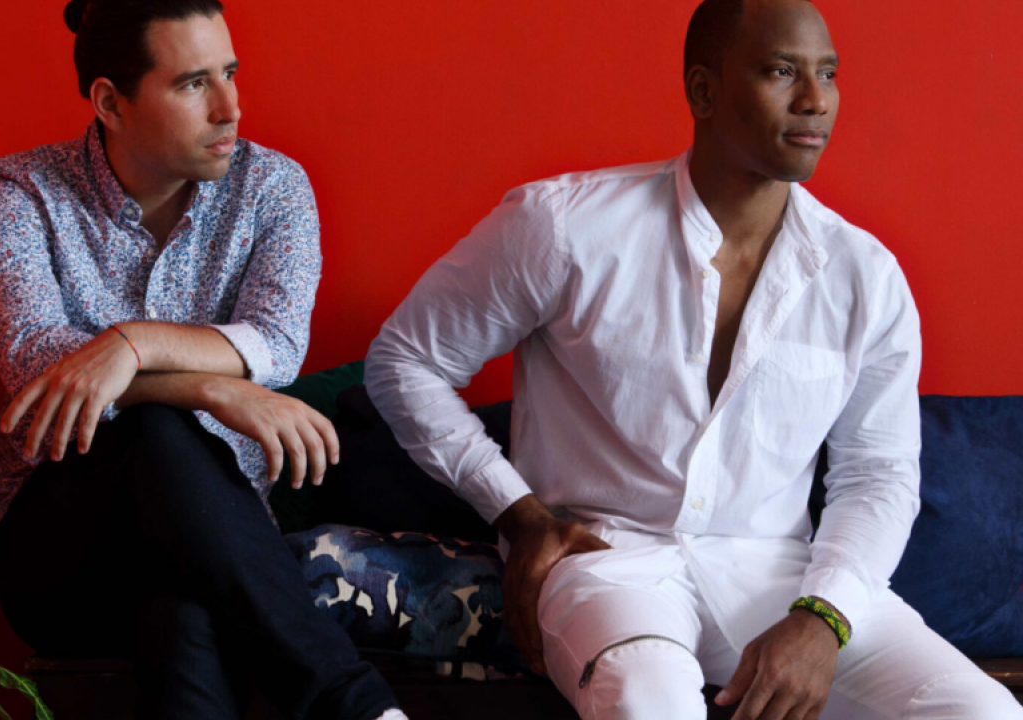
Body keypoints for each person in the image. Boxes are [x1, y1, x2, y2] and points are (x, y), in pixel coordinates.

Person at [363, 1, 1023, 718]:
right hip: (607, 561)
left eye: (829, 74)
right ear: (703, 91)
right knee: (648, 700)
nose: (815, 99)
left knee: (984, 712)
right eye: (782, 71)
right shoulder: (565, 227)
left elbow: (879, 475)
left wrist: (824, 616)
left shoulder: (865, 276)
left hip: (779, 574)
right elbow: (404, 360)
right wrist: (518, 515)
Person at [0, 2, 405, 719]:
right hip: (60, 551)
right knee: (152, 433)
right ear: (111, 102)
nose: (230, 107)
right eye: (193, 84)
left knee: (184, 603)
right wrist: (209, 389)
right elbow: (37, 369)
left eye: (229, 73)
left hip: (214, 548)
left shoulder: (273, 189)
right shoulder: (22, 194)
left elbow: (276, 342)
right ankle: (355, 706)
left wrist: (132, 344)